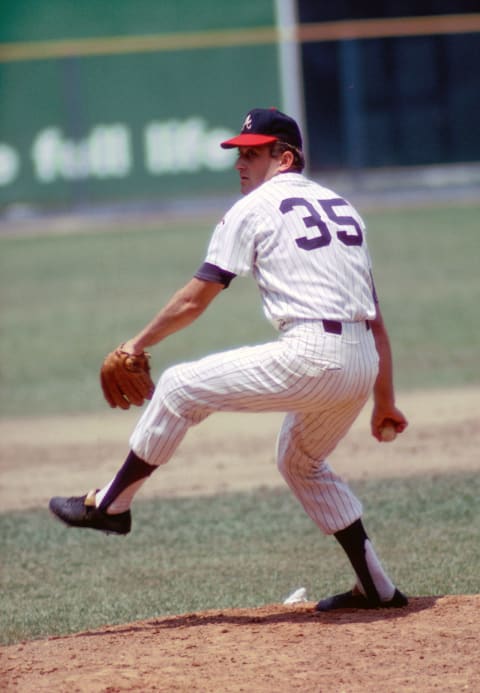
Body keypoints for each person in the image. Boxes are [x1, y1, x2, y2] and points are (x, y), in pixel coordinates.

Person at [50, 107, 409, 611]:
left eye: (253, 153)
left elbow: (195, 300)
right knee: (300, 462)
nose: (241, 163)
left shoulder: (255, 207)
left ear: (285, 158)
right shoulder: (345, 208)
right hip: (359, 362)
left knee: (177, 387)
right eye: (239, 153)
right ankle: (377, 587)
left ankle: (111, 504)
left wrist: (136, 344)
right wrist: (384, 400)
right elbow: (374, 319)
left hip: (312, 355)